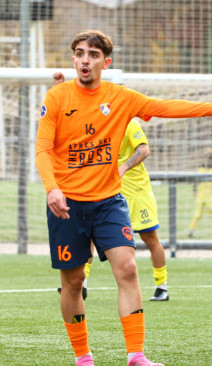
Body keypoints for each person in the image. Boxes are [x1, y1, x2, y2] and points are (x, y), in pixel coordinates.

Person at [36, 30, 212, 366]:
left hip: (109, 201)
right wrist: (51, 187)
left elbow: (163, 106)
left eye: (93, 55)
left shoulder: (120, 97)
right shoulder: (56, 97)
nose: (84, 60)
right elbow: (43, 149)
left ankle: (136, 355)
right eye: (79, 53)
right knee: (74, 280)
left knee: (127, 268)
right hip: (67, 205)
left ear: (105, 62)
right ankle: (83, 357)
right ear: (72, 58)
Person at [52, 74, 170, 302]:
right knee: (90, 237)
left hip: (136, 191)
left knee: (149, 237)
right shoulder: (100, 121)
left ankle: (161, 286)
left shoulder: (129, 122)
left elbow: (144, 149)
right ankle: (83, 283)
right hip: (106, 189)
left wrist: (123, 168)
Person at [187, 148, 212, 238]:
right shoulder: (204, 169)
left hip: (209, 195)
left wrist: (195, 190)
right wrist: (195, 190)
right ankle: (191, 229)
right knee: (200, 214)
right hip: (204, 195)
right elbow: (196, 180)